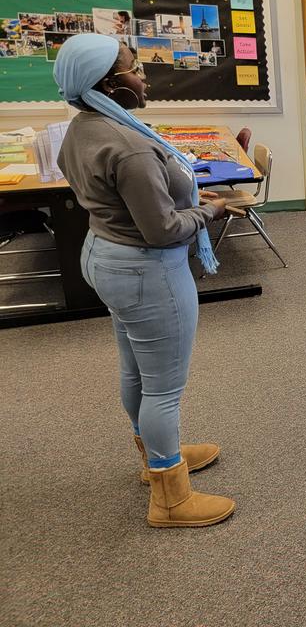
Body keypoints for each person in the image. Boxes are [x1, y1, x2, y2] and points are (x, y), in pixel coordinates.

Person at [53, 34, 235, 529]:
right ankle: (170, 498)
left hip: (106, 256)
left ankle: (155, 457)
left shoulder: (85, 126)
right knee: (164, 388)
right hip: (145, 269)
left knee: (136, 370)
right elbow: (162, 230)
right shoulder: (129, 145)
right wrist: (209, 209)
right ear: (109, 84)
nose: (144, 77)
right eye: (135, 70)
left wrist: (180, 196)